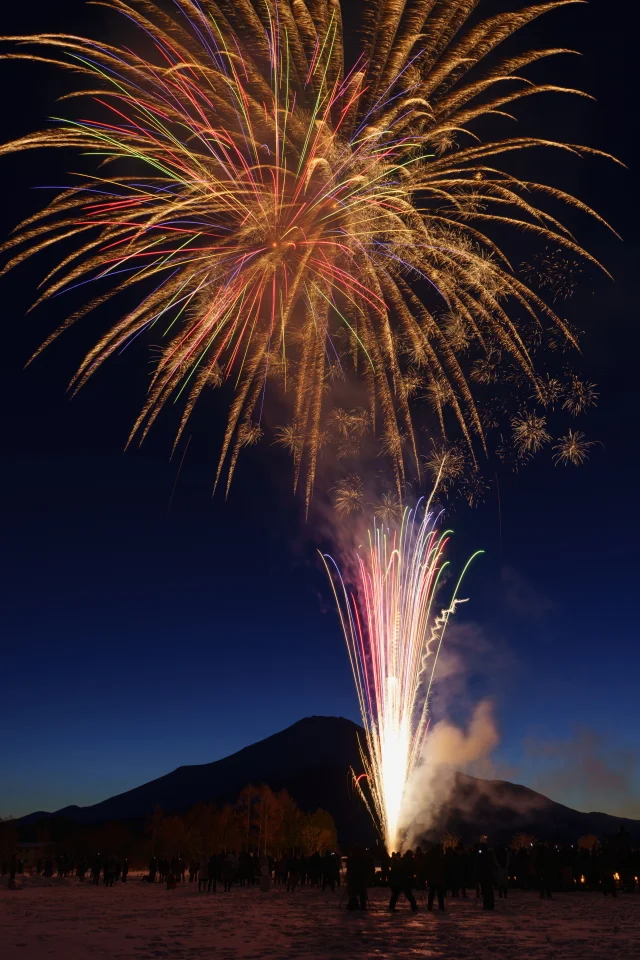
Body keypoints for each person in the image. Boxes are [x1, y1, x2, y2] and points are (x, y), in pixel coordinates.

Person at [346, 846, 369, 911]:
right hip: (359, 878)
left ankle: (354, 906)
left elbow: (349, 869)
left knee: (354, 893)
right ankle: (360, 906)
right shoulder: (362, 859)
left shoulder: (352, 859)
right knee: (361, 893)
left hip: (355, 878)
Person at [425, 843, 445, 912]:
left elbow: (427, 867)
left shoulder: (430, 855)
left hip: (432, 878)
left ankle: (429, 907)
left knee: (431, 894)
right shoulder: (440, 856)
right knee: (439, 894)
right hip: (438, 878)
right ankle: (441, 907)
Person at [476, 842, 496, 910]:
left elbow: (478, 866)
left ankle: (487, 905)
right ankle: (490, 904)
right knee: (489, 890)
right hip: (488, 875)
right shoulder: (489, 855)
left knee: (485, 891)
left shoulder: (481, 856)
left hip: (484, 875)